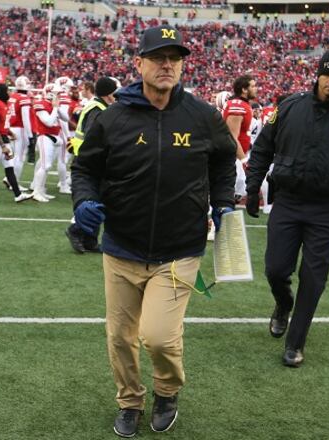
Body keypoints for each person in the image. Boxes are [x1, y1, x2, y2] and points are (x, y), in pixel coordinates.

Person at [71, 25, 236, 437]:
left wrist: (224, 202)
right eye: (159, 57)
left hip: (179, 248)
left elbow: (222, 161)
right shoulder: (114, 117)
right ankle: (129, 401)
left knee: (159, 337)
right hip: (122, 246)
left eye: (175, 58)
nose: (167, 65)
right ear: (139, 63)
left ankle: (167, 391)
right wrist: (83, 202)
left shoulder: (202, 115)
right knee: (120, 337)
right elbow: (86, 168)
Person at [245, 49, 329, 367]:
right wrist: (252, 189)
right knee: (276, 270)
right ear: (318, 74)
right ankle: (283, 303)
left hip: (326, 208)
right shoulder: (290, 106)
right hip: (288, 202)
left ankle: (295, 342)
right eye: (327, 74)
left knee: (313, 277)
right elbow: (263, 147)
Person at [64, 76, 119, 254]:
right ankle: (76, 230)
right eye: (114, 93)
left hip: (87, 157)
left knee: (98, 199)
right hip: (89, 161)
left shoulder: (96, 106)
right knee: (93, 199)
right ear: (108, 94)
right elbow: (93, 137)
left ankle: (90, 240)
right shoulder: (98, 110)